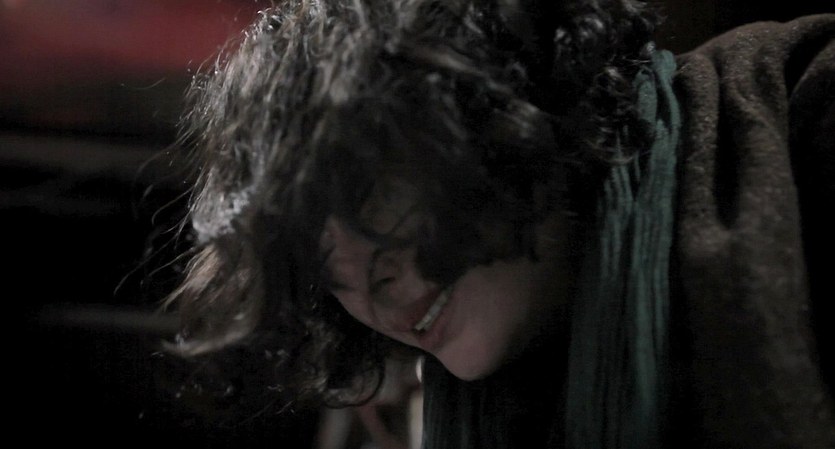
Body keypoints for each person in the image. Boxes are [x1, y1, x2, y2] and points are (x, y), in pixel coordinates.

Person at [163, 0, 835, 447]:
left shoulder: (808, 110)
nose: (364, 286)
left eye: (365, 195)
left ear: (483, 102)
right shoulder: (487, 391)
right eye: (318, 262)